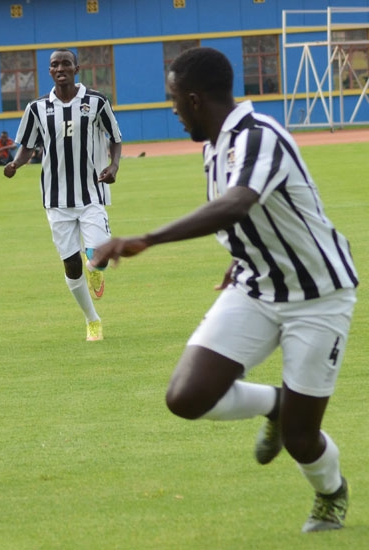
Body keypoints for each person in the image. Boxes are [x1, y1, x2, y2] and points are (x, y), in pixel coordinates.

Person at [92, 47, 358, 533]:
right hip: (257, 287)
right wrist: (241, 259)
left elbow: (237, 203)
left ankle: (330, 492)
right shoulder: (214, 146)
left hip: (318, 296)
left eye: (174, 98)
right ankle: (275, 402)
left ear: (193, 99)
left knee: (301, 438)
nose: (173, 109)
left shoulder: (259, 135)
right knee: (186, 396)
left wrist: (146, 239)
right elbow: (254, 219)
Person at [3, 48, 122, 341]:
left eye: (66, 63)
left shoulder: (96, 101)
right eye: (54, 65)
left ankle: (95, 269)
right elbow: (28, 145)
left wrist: (113, 166)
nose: (60, 68)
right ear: (49, 71)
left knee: (99, 258)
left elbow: (115, 138)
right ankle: (92, 320)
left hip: (91, 193)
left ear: (76, 68)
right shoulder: (37, 108)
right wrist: (16, 164)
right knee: (71, 264)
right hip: (56, 199)